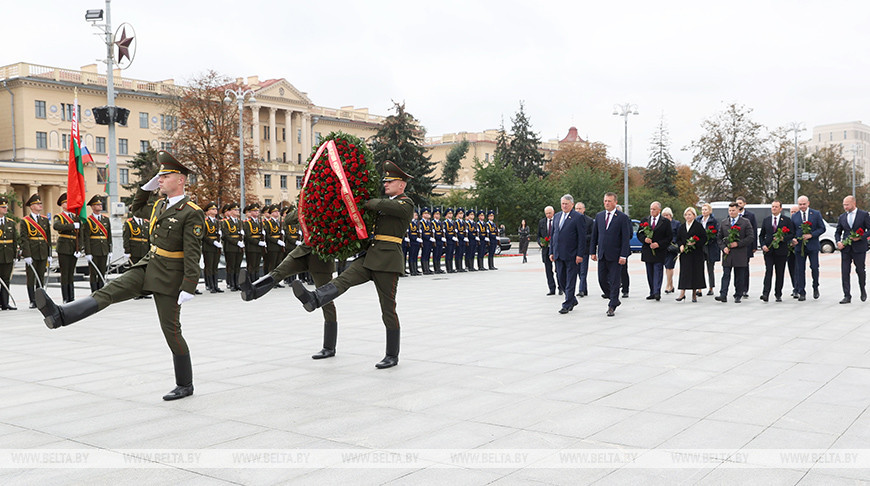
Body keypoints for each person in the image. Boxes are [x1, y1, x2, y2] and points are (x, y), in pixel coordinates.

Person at [36, 151, 205, 401]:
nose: (160, 179)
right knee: (109, 292)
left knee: (171, 331)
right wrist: (145, 189)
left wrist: (189, 285)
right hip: (149, 265)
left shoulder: (191, 212)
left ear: (180, 179)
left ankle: (185, 384)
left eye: (164, 175)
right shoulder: (159, 204)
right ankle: (61, 315)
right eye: (159, 176)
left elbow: (193, 252)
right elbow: (136, 209)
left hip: (170, 276)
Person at [290, 161, 414, 369]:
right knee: (343, 280)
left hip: (388, 261)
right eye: (385, 181)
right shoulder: (384, 204)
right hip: (370, 256)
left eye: (390, 181)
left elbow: (382, 205)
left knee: (387, 308)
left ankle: (392, 354)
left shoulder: (405, 203)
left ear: (401, 185)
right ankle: (315, 298)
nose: (386, 184)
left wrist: (364, 201)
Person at [240, 208, 339, 359]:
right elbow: (288, 220)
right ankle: (253, 291)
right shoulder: (308, 202)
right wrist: (304, 205)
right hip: (303, 250)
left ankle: (329, 346)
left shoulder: (332, 202)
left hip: (322, 255)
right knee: (279, 271)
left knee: (326, 300)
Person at [590, 193, 631, 317]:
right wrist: (592, 251)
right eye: (605, 201)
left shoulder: (622, 218)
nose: (606, 203)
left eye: (609, 201)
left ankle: (612, 305)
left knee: (614, 281)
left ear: (615, 202)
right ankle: (614, 298)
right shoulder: (599, 216)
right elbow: (594, 236)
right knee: (602, 280)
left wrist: (623, 255)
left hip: (616, 255)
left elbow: (625, 238)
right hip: (602, 254)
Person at [550, 195, 586, 314]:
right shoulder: (557, 216)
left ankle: (566, 304)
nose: (564, 206)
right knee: (561, 279)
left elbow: (581, 238)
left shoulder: (578, 217)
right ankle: (572, 299)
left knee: (570, 279)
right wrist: (551, 251)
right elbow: (554, 235)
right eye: (562, 204)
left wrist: (580, 254)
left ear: (572, 204)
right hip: (558, 254)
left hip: (572, 254)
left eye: (566, 204)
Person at [715, 202, 754, 303]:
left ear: (738, 210)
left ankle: (738, 294)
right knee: (726, 274)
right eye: (730, 211)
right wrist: (723, 247)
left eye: (733, 210)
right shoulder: (724, 222)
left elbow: (750, 237)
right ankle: (723, 294)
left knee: (739, 275)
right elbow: (719, 238)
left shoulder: (745, 222)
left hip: (740, 253)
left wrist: (738, 243)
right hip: (727, 254)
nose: (731, 212)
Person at [835, 195, 870, 303]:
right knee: (845, 271)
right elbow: (838, 232)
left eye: (847, 204)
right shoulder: (842, 217)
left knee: (860, 270)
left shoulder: (863, 215)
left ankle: (862, 289)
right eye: (844, 205)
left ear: (853, 203)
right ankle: (847, 295)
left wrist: (861, 237)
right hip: (846, 248)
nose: (845, 207)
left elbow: (869, 229)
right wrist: (838, 242)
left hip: (859, 248)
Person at [759, 200, 795, 302]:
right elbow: (761, 235)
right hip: (769, 251)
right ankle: (765, 293)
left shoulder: (786, 220)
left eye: (776, 207)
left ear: (780, 208)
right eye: (772, 206)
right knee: (768, 271)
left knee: (780, 273)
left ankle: (778, 293)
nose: (774, 208)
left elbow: (792, 234)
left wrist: (784, 238)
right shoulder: (766, 220)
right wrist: (763, 245)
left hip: (781, 251)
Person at [20, 194, 51, 308]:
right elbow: (24, 239)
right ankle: (32, 300)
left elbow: (47, 238)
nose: (40, 205)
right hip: (32, 252)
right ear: (32, 206)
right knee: (31, 277)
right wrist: (27, 255)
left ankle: (40, 299)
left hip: (42, 251)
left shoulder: (44, 220)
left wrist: (49, 254)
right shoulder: (25, 221)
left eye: (40, 203)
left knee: (40, 276)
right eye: (38, 204)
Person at [790, 195, 825, 301]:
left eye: (804, 204)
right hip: (799, 247)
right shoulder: (795, 216)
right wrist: (793, 239)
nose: (802, 206)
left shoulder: (815, 214)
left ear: (808, 203)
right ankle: (802, 291)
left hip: (813, 245)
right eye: (800, 204)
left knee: (814, 267)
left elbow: (822, 228)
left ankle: (815, 287)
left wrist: (811, 235)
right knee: (800, 269)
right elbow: (792, 231)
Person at [638, 201, 673, 301]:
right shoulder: (645, 220)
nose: (652, 211)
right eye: (651, 209)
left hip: (659, 251)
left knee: (658, 271)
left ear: (659, 210)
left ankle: (657, 292)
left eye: (654, 209)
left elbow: (669, 237)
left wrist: (659, 244)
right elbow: (639, 234)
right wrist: (645, 239)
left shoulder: (665, 222)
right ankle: (652, 291)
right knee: (650, 272)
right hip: (648, 251)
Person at [53, 193, 81, 303]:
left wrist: (80, 248)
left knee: (71, 273)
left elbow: (80, 234)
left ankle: (71, 296)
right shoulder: (59, 217)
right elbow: (57, 226)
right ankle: (65, 297)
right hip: (64, 247)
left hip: (74, 246)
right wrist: (72, 226)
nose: (68, 204)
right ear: (62, 205)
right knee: (65, 273)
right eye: (66, 202)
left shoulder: (75, 217)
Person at [675, 207, 707, 302]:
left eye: (689, 214)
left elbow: (704, 238)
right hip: (685, 254)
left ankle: (694, 293)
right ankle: (682, 293)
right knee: (684, 272)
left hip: (696, 254)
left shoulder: (698, 226)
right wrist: (680, 245)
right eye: (686, 215)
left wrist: (695, 243)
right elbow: (678, 238)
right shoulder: (682, 226)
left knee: (695, 272)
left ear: (694, 215)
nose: (687, 216)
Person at [82, 195, 112, 293]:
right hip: (94, 249)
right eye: (97, 204)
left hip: (103, 249)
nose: (100, 206)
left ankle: (101, 291)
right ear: (92, 207)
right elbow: (86, 238)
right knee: (94, 273)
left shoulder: (105, 219)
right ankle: (94, 291)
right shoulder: (88, 220)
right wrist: (88, 252)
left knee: (102, 271)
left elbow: (109, 235)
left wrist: (110, 249)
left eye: (100, 204)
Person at [736, 196, 758, 298]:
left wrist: (754, 245)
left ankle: (744, 289)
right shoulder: (733, 215)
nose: (738, 205)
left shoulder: (750, 215)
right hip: (735, 246)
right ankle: (737, 288)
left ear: (744, 204)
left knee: (745, 267)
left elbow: (753, 231)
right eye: (737, 203)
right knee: (736, 268)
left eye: (740, 203)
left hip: (746, 246)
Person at [201, 202, 224, 294]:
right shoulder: (205, 221)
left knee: (215, 266)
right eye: (212, 209)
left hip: (216, 247)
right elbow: (203, 235)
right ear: (207, 212)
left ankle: (215, 285)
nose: (215, 211)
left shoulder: (217, 222)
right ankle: (210, 285)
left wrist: (219, 240)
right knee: (209, 266)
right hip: (208, 247)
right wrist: (213, 242)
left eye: (215, 209)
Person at [221, 202, 245, 291]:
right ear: (230, 212)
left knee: (237, 266)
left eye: (238, 210)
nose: (237, 211)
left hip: (239, 248)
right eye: (235, 210)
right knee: (231, 266)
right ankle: (231, 284)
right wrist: (237, 242)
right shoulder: (226, 222)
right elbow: (226, 236)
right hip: (230, 247)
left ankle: (237, 283)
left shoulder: (239, 222)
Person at [0, 196, 18, 310]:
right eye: (3, 207)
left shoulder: (10, 223)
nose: (5, 209)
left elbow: (14, 240)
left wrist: (15, 255)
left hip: (8, 255)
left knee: (6, 280)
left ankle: (5, 303)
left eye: (6, 207)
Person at [699, 203, 719, 296]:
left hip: (710, 247)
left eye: (706, 209)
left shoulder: (713, 221)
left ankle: (711, 288)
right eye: (703, 209)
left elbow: (716, 234)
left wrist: (709, 238)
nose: (704, 211)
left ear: (710, 211)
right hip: (700, 247)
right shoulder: (698, 220)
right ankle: (699, 288)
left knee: (710, 268)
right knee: (699, 268)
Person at [574, 202, 594, 297]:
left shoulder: (589, 221)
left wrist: (582, 237)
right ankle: (584, 288)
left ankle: (581, 290)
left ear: (584, 209)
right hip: (574, 249)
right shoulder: (572, 219)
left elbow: (593, 235)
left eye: (579, 209)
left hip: (585, 249)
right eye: (576, 209)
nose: (578, 210)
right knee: (577, 270)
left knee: (583, 271)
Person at [263, 205, 286, 285]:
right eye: (275, 212)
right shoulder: (268, 222)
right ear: (271, 213)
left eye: (278, 211)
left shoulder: (279, 222)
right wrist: (277, 241)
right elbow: (268, 236)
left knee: (278, 264)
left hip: (280, 246)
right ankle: (270, 281)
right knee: (272, 265)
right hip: (272, 246)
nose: (277, 213)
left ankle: (276, 281)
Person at [243, 203, 265, 280]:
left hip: (259, 247)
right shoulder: (247, 223)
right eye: (254, 211)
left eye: (257, 211)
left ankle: (256, 280)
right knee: (251, 265)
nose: (256, 212)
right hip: (251, 247)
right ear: (251, 212)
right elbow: (248, 236)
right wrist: (258, 242)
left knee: (257, 265)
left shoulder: (259, 222)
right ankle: (251, 281)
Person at [538, 206, 557, 295]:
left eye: (549, 213)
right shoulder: (542, 222)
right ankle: (551, 288)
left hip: (556, 249)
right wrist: (540, 242)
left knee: (559, 269)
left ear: (553, 212)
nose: (548, 215)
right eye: (546, 214)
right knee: (548, 270)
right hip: (546, 249)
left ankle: (561, 287)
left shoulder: (557, 220)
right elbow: (538, 236)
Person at [662, 207, 678, 294]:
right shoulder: (662, 224)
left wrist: (674, 242)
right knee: (666, 267)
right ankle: (671, 286)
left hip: (672, 248)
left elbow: (678, 235)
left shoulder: (676, 223)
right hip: (664, 248)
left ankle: (668, 285)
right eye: (664, 215)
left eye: (667, 215)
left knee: (669, 266)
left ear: (670, 215)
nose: (665, 217)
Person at [787, 204, 800, 298]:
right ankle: (794, 287)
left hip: (799, 248)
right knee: (791, 268)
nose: (793, 213)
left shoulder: (800, 222)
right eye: (791, 212)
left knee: (798, 268)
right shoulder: (787, 222)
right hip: (789, 249)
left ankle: (797, 288)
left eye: (795, 212)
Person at [419, 207, 434, 275]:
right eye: (426, 213)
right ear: (422, 215)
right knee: (424, 254)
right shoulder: (421, 222)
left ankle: (427, 268)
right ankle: (424, 269)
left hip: (429, 241)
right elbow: (422, 233)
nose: (427, 214)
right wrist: (428, 238)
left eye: (428, 213)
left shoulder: (429, 222)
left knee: (428, 254)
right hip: (425, 240)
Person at [432, 208, 446, 274]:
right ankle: (436, 268)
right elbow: (434, 233)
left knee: (439, 255)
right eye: (436, 214)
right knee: (435, 255)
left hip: (440, 241)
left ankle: (438, 267)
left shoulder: (440, 223)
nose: (438, 215)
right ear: (434, 215)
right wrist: (440, 238)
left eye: (439, 214)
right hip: (436, 241)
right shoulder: (432, 223)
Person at [443, 208, 457, 273]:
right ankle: (448, 268)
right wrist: (451, 237)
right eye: (449, 213)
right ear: (446, 215)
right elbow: (445, 232)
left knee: (451, 254)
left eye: (451, 213)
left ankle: (451, 267)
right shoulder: (445, 222)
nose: (450, 215)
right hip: (448, 240)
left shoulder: (453, 222)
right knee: (448, 254)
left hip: (453, 241)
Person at [454, 208, 467, 272]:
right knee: (458, 253)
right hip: (459, 239)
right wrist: (462, 237)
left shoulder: (463, 222)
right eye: (460, 213)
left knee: (461, 253)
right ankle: (458, 267)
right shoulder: (456, 222)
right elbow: (457, 232)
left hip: (463, 240)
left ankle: (461, 267)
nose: (461, 215)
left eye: (462, 213)